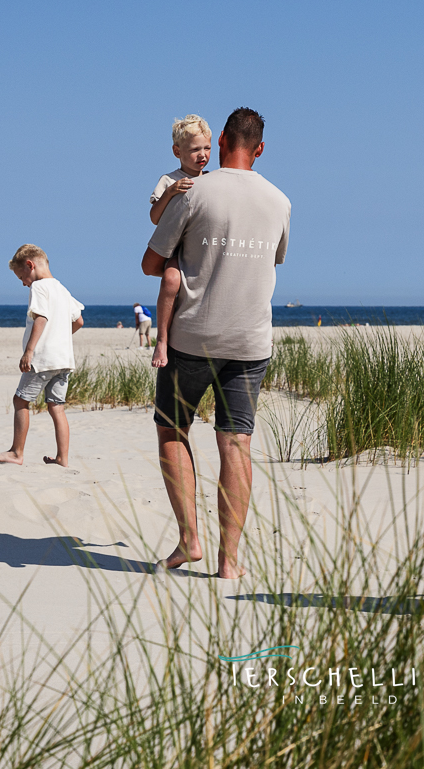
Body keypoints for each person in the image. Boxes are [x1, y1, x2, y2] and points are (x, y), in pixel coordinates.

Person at [140, 107, 290, 578]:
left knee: (172, 430)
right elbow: (276, 258)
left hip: (192, 336)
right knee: (236, 442)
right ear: (261, 148)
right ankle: (230, 561)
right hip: (251, 340)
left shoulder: (192, 190)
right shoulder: (279, 200)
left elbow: (150, 262)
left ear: (221, 140)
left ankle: (190, 540)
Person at [0, 244, 84, 467]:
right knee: (56, 407)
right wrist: (59, 336)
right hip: (64, 360)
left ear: (30, 265)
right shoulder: (62, 289)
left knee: (20, 400)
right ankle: (62, 458)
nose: (24, 283)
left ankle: (16, 452)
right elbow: (79, 321)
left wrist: (29, 351)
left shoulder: (40, 287)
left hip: (43, 359)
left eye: (22, 276)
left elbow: (40, 318)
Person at [148, 115, 213, 368]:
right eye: (195, 149)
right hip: (176, 248)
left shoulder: (211, 178)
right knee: (171, 280)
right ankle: (162, 339)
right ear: (177, 151)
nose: (202, 155)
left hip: (204, 247)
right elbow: (154, 218)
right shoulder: (168, 179)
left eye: (207, 148)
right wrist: (171, 191)